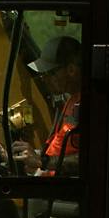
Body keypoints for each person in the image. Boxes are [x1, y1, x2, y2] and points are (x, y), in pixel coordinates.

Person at [15, 35, 84, 177]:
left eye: (49, 73)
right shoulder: (71, 101)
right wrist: (18, 156)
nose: (44, 79)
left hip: (65, 194)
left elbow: (93, 159)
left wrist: (42, 161)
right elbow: (57, 150)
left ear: (71, 70)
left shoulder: (95, 107)